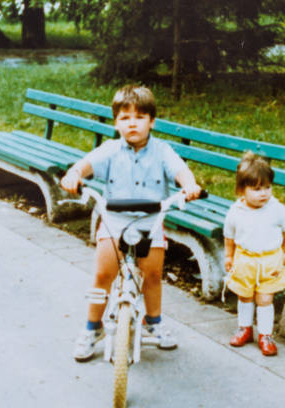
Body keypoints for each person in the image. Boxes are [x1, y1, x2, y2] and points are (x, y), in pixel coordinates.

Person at [60, 84, 202, 362]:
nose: (132, 123)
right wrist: (74, 175)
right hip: (114, 219)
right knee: (103, 275)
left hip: (151, 220)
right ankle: (92, 328)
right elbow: (86, 164)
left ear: (152, 121)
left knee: (152, 275)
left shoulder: (162, 151)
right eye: (125, 118)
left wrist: (189, 185)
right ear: (116, 123)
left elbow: (180, 171)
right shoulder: (110, 149)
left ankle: (153, 321)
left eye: (139, 117)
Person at [223, 152, 285, 356]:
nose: (263, 193)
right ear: (241, 190)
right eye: (256, 189)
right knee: (245, 297)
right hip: (245, 260)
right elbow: (229, 236)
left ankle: (265, 334)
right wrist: (229, 256)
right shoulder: (236, 212)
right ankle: (244, 328)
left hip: (269, 260)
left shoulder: (277, 210)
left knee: (265, 299)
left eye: (267, 187)